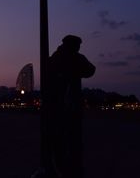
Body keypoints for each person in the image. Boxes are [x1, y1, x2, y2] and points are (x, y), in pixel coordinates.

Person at [46, 35, 95, 178]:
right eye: (77, 46)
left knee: (64, 140)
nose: (78, 49)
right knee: (68, 140)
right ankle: (67, 170)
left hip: (62, 105)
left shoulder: (59, 58)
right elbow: (90, 70)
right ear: (72, 45)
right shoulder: (70, 58)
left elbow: (90, 70)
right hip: (64, 105)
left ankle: (64, 168)